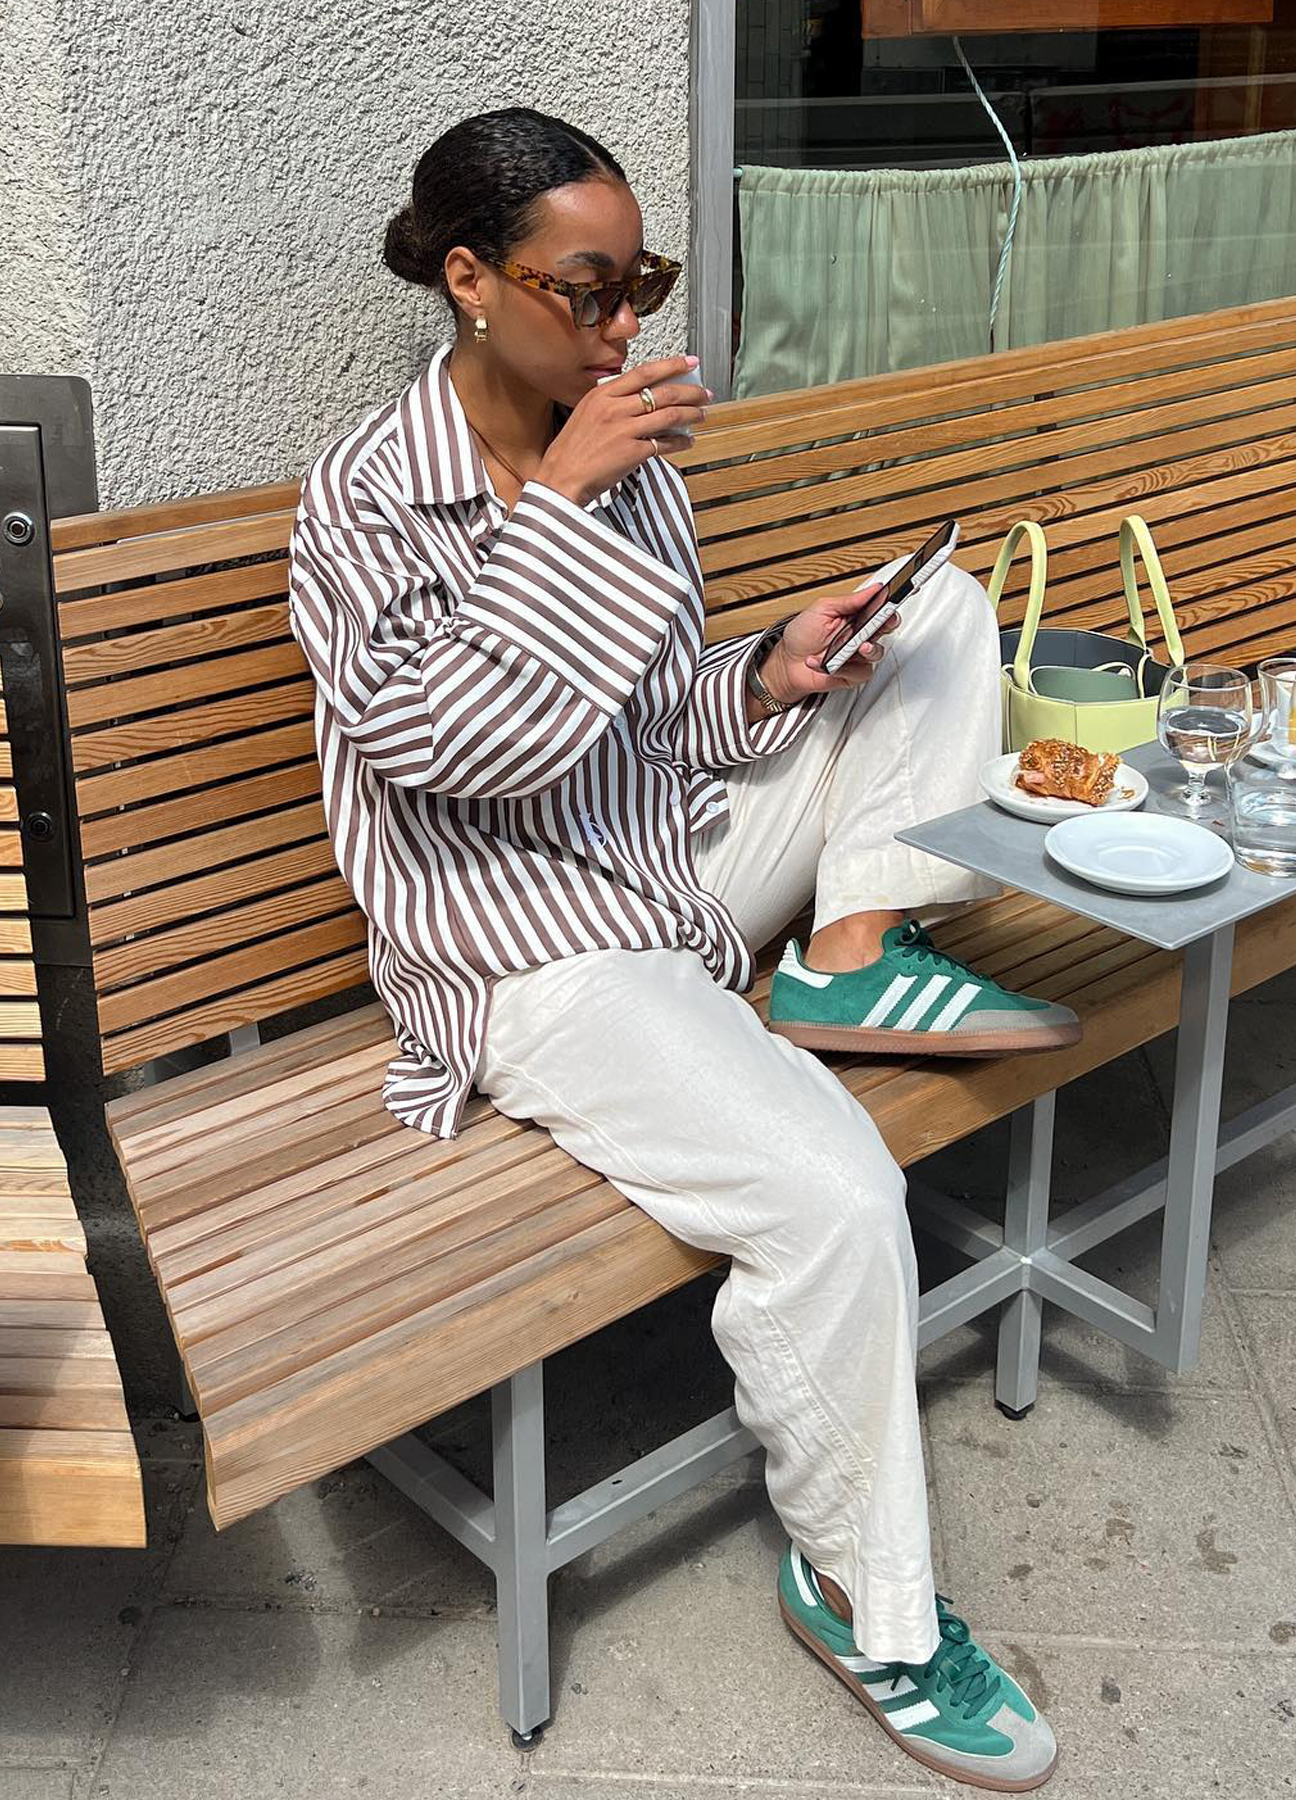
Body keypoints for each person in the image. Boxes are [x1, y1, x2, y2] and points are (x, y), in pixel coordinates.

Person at [288, 107, 1076, 1792]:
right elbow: (458, 759)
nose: (628, 324)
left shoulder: (621, 456)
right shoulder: (365, 501)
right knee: (838, 1194)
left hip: (666, 862)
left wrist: (770, 678)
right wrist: (565, 506)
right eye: (592, 289)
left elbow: (646, 725)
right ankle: (866, 1592)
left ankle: (849, 949)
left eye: (639, 281)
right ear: (470, 281)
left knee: (926, 616)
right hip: (530, 950)